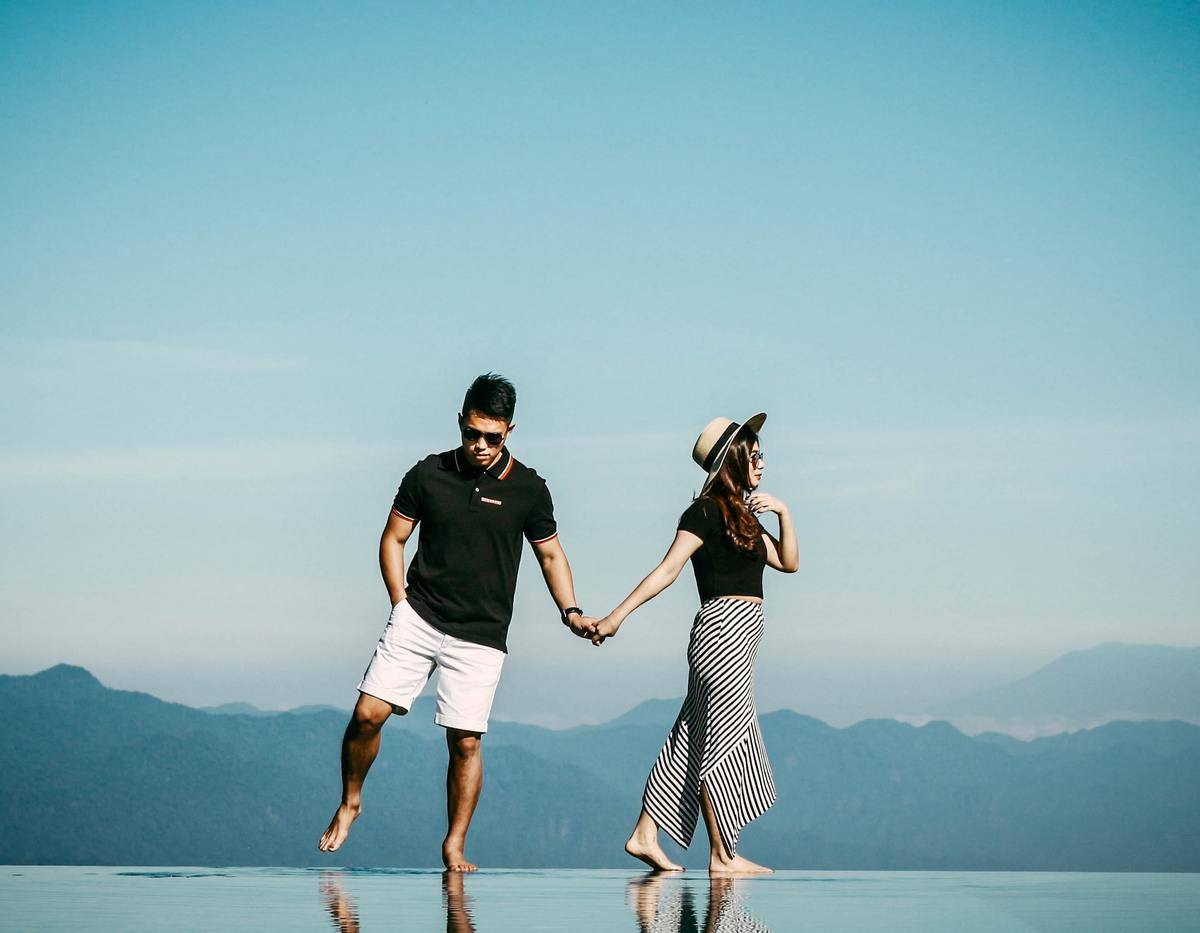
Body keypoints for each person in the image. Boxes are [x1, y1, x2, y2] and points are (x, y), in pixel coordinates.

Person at [318, 373, 598, 869]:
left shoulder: (530, 489)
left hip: (482, 636)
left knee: (465, 742)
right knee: (366, 716)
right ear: (460, 422)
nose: (481, 445)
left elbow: (551, 556)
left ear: (509, 430)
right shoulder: (428, 474)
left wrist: (570, 612)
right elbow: (392, 540)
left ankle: (454, 844)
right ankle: (351, 802)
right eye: (473, 433)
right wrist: (399, 601)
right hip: (418, 616)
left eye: (492, 436)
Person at [591, 412, 798, 873]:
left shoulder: (745, 518)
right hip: (722, 630)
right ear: (734, 458)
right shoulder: (704, 512)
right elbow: (667, 570)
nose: (762, 462)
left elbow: (789, 562)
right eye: (755, 453)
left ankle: (646, 833)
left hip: (743, 635)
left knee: (692, 736)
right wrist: (615, 618)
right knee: (722, 742)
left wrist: (783, 511)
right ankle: (722, 856)